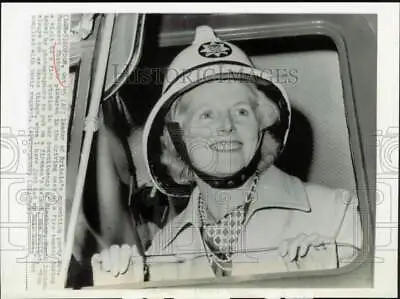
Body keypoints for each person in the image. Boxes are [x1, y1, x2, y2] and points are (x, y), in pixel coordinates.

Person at [91, 25, 363, 285]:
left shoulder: (337, 216)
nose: (225, 126)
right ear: (177, 139)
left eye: (241, 111)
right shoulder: (161, 252)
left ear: (261, 126)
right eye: (206, 114)